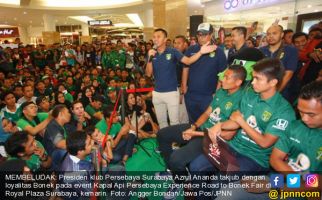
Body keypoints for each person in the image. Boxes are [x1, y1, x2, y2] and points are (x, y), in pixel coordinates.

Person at [157, 65, 247, 181]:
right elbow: (206, 114)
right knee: (162, 134)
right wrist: (194, 127)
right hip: (201, 130)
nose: (222, 80)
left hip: (212, 139)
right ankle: (174, 170)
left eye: (227, 77)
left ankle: (180, 180)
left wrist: (195, 134)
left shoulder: (242, 101)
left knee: (176, 158)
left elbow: (228, 135)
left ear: (238, 82)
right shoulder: (221, 92)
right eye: (223, 76)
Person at [146, 27, 217, 128]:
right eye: (154, 37)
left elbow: (188, 61)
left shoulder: (173, 51)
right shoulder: (151, 53)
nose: (155, 39)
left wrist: (201, 52)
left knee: (174, 123)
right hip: (157, 93)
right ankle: (165, 143)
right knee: (162, 123)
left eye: (158, 36)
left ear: (165, 39)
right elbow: (148, 74)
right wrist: (149, 59)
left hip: (171, 93)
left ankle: (175, 144)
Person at [270, 80, 322, 173]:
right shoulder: (294, 126)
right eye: (301, 112)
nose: (304, 119)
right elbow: (275, 160)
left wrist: (294, 185)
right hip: (280, 178)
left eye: (311, 114)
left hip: (308, 186)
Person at [182, 23, 227, 123]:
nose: (201, 37)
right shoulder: (191, 49)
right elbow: (186, 67)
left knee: (207, 122)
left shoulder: (218, 52)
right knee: (193, 122)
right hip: (191, 94)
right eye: (199, 34)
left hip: (208, 96)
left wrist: (217, 92)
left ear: (211, 35)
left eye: (204, 34)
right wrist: (184, 86)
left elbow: (222, 73)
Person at [260, 25, 298, 102]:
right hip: (263, 89)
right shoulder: (261, 50)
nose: (271, 36)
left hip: (282, 92)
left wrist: (274, 93)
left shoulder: (290, 50)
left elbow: (288, 74)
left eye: (274, 33)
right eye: (268, 34)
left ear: (282, 35)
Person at [59, 130, 94, 200]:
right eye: (90, 143)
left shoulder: (74, 151)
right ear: (80, 152)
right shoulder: (73, 174)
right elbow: (91, 193)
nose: (93, 143)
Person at [43, 105, 71, 169]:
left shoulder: (64, 126)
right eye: (68, 112)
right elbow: (60, 144)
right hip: (52, 158)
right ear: (60, 114)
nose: (70, 114)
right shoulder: (52, 125)